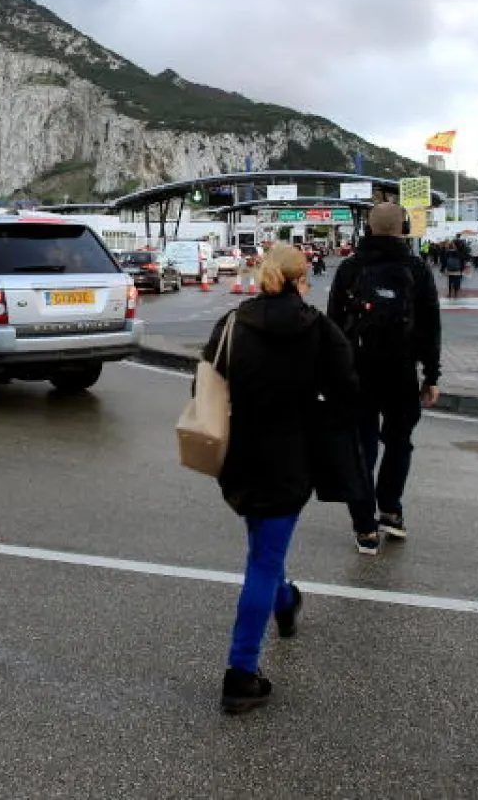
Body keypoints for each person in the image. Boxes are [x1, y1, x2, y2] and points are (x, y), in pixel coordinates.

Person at [199, 243, 359, 713]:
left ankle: (285, 602)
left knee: (264, 549)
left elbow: (204, 385)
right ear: (299, 277)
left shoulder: (232, 324)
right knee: (263, 560)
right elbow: (348, 392)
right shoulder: (318, 329)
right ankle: (240, 672)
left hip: (240, 455)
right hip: (291, 456)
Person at [328, 203, 442, 555]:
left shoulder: (350, 268)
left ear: (369, 228)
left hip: (357, 375)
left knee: (361, 450)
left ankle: (365, 528)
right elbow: (429, 326)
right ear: (403, 227)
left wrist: (333, 375)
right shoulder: (416, 269)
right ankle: (390, 509)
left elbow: (333, 325)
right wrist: (431, 375)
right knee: (399, 442)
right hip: (401, 372)